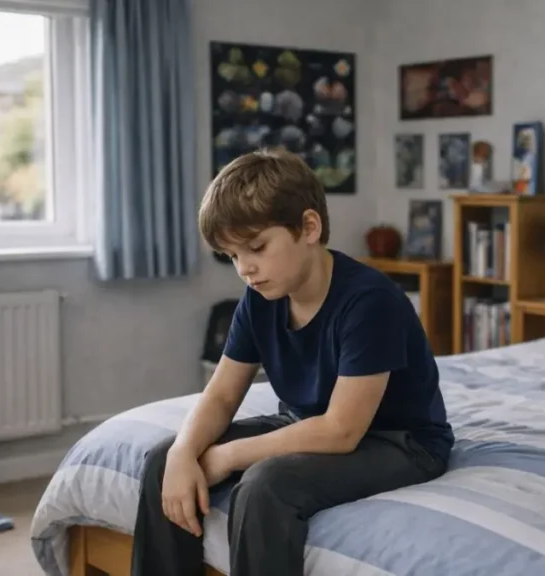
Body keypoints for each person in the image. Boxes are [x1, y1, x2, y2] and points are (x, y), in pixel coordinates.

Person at [131, 148, 454, 576]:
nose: (245, 268)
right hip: (307, 423)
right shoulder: (260, 297)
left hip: (398, 441)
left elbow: (341, 431)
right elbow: (224, 392)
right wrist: (183, 453)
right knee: (163, 461)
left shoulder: (370, 301)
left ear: (308, 227)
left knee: (266, 486)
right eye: (232, 256)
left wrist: (227, 456)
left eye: (257, 247)